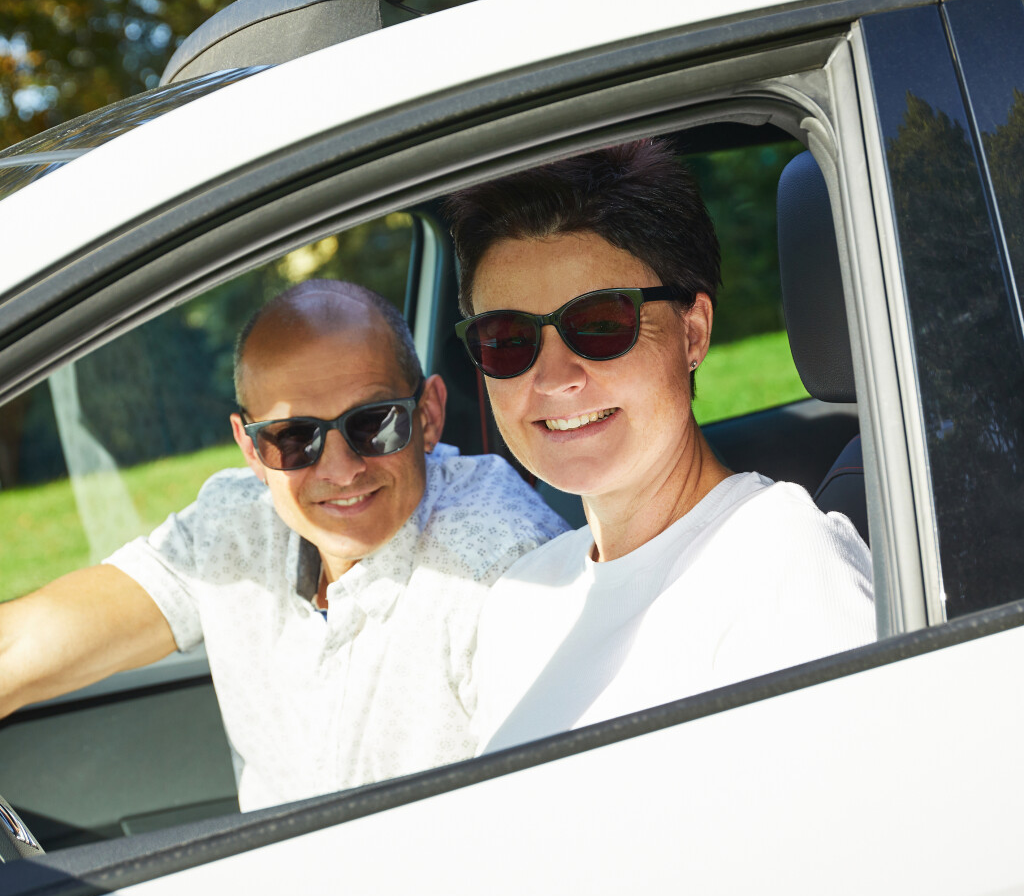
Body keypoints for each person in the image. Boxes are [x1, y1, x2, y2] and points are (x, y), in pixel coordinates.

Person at [0, 280, 568, 808]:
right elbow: (21, 646)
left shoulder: (504, 569)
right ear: (250, 451)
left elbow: (549, 815)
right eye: (295, 438)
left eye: (374, 423)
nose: (342, 470)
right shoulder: (235, 525)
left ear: (427, 416)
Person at [446, 139, 875, 753]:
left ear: (692, 331)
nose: (555, 376)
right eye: (508, 339)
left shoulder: (782, 564)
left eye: (599, 325)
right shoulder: (518, 598)